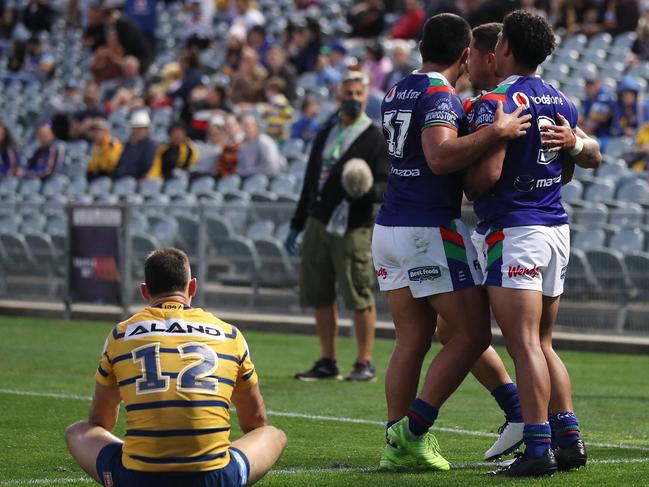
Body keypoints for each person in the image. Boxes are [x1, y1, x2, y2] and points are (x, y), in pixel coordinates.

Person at [371, 13, 531, 471]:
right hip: (427, 229)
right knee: (473, 332)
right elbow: (439, 157)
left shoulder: (398, 88)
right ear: (465, 55)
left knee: (412, 340)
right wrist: (495, 132)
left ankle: (394, 441)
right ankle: (411, 434)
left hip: (391, 228)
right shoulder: (440, 93)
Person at [465, 10, 601, 476]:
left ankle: (538, 449)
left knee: (523, 345)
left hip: (514, 229)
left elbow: (488, 176)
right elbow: (577, 162)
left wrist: (461, 178)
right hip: (554, 227)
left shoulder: (497, 101)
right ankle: (570, 441)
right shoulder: (563, 101)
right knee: (542, 342)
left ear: (503, 48)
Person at [64, 247, 287, 487]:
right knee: (273, 434)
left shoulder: (120, 335)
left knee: (77, 431)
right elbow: (254, 422)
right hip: (214, 479)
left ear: (144, 291)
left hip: (138, 479)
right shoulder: (230, 335)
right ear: (192, 287)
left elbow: (101, 422)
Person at [286, 71, 389, 382]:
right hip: (319, 222)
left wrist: (364, 190)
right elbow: (309, 181)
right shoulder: (326, 132)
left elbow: (386, 185)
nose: (353, 99)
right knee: (319, 294)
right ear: (338, 96)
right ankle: (328, 360)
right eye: (348, 93)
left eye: (359, 93)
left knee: (358, 293)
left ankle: (364, 362)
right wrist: (298, 223)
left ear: (366, 95)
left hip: (353, 226)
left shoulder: (374, 137)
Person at [115, 110, 157, 180]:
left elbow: (148, 165)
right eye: (135, 128)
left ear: (147, 129)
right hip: (123, 181)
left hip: (138, 184)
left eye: (140, 128)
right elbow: (120, 164)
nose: (137, 131)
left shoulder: (150, 145)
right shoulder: (128, 145)